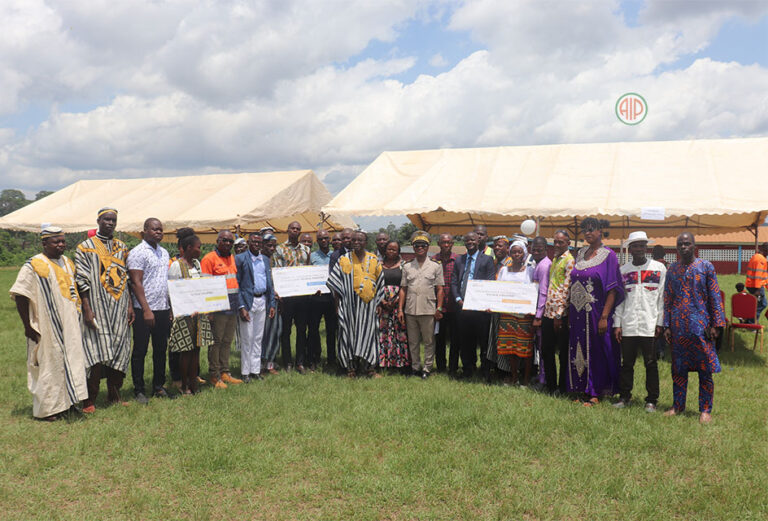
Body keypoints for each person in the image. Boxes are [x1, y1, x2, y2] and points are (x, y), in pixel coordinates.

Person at [11, 226, 88, 420]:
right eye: (56, 241)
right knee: (49, 365)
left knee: (72, 363)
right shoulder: (34, 264)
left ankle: (69, 404)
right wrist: (27, 326)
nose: (61, 245)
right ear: (44, 243)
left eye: (63, 241)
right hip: (46, 325)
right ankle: (47, 410)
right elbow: (21, 294)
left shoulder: (68, 263)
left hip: (70, 325)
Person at [75, 207, 134, 412]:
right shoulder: (85, 247)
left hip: (118, 307)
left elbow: (126, 279)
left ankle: (114, 395)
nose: (110, 223)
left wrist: (129, 305)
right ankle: (89, 399)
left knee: (119, 349)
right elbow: (81, 280)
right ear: (98, 220)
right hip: (97, 307)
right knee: (95, 351)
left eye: (113, 220)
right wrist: (87, 308)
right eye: (107, 219)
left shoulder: (122, 247)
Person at [663, 232, 726, 424]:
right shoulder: (672, 270)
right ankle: (678, 405)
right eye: (680, 244)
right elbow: (667, 299)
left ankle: (705, 410)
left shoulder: (705, 267)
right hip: (678, 328)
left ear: (694, 246)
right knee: (678, 369)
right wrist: (666, 324)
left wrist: (717, 324)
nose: (683, 247)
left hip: (701, 327)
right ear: (676, 248)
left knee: (704, 369)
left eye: (687, 244)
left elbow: (715, 297)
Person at [567, 218, 625, 406]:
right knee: (577, 348)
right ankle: (579, 387)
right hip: (577, 313)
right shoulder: (581, 253)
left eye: (591, 230)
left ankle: (595, 392)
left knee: (596, 350)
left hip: (596, 313)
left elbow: (613, 288)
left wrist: (605, 316)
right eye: (585, 230)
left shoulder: (609, 256)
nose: (588, 233)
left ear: (601, 231)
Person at [612, 231, 665, 412]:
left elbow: (662, 298)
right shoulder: (623, 271)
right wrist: (617, 324)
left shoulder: (659, 268)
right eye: (635, 246)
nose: (639, 249)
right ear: (630, 248)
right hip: (629, 324)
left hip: (649, 324)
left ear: (646, 247)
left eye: (642, 245)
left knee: (651, 363)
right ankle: (625, 396)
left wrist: (660, 322)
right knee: (627, 363)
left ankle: (651, 400)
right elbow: (620, 300)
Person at [128, 218, 174, 403]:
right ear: (145, 230)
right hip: (143, 310)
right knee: (140, 350)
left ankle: (158, 385)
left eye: (161, 230)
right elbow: (136, 282)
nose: (159, 232)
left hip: (162, 308)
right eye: (155, 229)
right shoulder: (138, 252)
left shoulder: (163, 253)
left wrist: (169, 307)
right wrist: (146, 310)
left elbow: (165, 282)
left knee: (160, 349)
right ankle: (139, 389)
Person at [327, 230, 384, 378]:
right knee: (348, 336)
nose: (357, 243)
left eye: (360, 240)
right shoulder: (343, 259)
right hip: (348, 307)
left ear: (366, 242)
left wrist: (378, 303)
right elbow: (335, 284)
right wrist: (337, 306)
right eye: (354, 240)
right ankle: (350, 369)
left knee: (369, 336)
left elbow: (380, 283)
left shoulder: (374, 260)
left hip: (368, 307)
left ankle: (369, 369)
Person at [168, 230, 212, 395]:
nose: (200, 250)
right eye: (198, 247)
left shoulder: (198, 265)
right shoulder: (176, 266)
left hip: (198, 313)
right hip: (184, 314)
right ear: (188, 248)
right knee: (185, 351)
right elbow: (173, 291)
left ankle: (194, 382)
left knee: (195, 350)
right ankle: (184, 384)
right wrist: (182, 310)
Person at [200, 230, 243, 388]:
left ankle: (225, 372)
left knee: (227, 341)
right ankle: (214, 375)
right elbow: (206, 286)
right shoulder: (209, 259)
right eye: (225, 240)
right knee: (216, 342)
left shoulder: (233, 258)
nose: (228, 244)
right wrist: (209, 310)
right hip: (217, 308)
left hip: (232, 306)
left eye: (231, 242)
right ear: (217, 241)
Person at [490, 239, 536, 385]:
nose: (516, 254)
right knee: (510, 347)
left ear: (524, 253)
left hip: (524, 316)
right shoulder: (504, 270)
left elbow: (534, 291)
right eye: (514, 251)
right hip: (507, 315)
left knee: (525, 348)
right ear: (510, 253)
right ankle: (514, 376)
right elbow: (497, 291)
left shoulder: (530, 271)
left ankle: (526, 378)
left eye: (519, 252)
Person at [398, 232, 444, 378]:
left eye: (423, 245)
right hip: (411, 309)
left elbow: (440, 289)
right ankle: (415, 367)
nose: (420, 248)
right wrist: (400, 309)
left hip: (428, 309)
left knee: (429, 341)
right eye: (417, 245)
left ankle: (427, 368)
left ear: (427, 246)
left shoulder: (436, 266)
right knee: (413, 341)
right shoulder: (407, 266)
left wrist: (439, 308)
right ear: (413, 247)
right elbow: (403, 289)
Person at [451, 231, 496, 380]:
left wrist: (481, 302)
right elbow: (454, 282)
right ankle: (467, 370)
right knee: (465, 341)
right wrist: (458, 299)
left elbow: (489, 283)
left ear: (478, 241)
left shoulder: (487, 260)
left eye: (473, 240)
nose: (470, 242)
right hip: (462, 306)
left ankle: (484, 371)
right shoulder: (459, 260)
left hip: (480, 308)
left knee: (483, 341)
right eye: (467, 240)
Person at [236, 232, 276, 382]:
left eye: (259, 242)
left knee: (258, 338)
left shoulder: (265, 259)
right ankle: (245, 372)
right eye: (254, 242)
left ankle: (255, 370)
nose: (257, 244)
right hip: (247, 302)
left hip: (262, 300)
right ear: (248, 242)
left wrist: (271, 303)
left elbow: (269, 283)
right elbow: (237, 285)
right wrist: (241, 306)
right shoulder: (240, 259)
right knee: (247, 338)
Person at [274, 221, 311, 373]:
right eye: (293, 228)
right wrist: (279, 294)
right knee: (286, 330)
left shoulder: (306, 249)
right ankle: (287, 362)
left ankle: (300, 362)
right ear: (287, 230)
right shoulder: (279, 249)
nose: (295, 231)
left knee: (302, 329)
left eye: (298, 229)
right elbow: (277, 271)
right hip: (287, 296)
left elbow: (309, 271)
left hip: (302, 296)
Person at [541, 230, 575, 394]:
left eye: (560, 242)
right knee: (547, 350)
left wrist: (559, 315)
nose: (556, 245)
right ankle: (550, 385)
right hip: (548, 312)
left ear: (568, 243)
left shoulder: (569, 261)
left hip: (560, 315)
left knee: (562, 353)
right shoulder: (555, 259)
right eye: (555, 242)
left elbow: (567, 290)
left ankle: (562, 387)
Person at [378, 240, 409, 371]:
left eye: (394, 249)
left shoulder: (404, 265)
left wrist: (397, 301)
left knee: (398, 332)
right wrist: (382, 301)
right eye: (389, 249)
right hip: (381, 303)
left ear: (398, 252)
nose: (391, 251)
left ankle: (399, 362)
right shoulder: (378, 265)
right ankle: (384, 362)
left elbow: (405, 286)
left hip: (399, 303)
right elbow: (374, 284)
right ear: (385, 250)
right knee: (383, 333)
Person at [308, 229, 338, 369]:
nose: (324, 241)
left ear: (330, 239)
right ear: (317, 241)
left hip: (332, 298)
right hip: (316, 298)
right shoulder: (312, 256)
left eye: (326, 238)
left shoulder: (336, 255)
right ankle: (316, 357)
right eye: (320, 239)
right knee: (313, 329)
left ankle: (332, 358)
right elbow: (307, 274)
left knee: (331, 330)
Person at [431, 233, 459, 374]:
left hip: (455, 306)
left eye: (449, 242)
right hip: (438, 307)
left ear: (452, 243)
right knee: (439, 338)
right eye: (443, 242)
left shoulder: (458, 260)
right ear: (439, 243)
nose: (446, 245)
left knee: (455, 339)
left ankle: (453, 367)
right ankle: (441, 366)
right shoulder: (433, 260)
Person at [486, 236, 512, 377]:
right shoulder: (494, 263)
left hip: (506, 310)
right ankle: (496, 367)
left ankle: (506, 370)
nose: (497, 248)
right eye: (495, 246)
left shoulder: (511, 264)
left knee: (504, 339)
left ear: (508, 248)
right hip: (494, 309)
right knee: (495, 338)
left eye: (500, 246)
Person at [530, 236, 551, 387]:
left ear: (546, 249)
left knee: (543, 347)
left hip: (542, 314)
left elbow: (543, 292)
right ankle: (540, 375)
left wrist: (538, 316)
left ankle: (544, 378)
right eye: (534, 250)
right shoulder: (537, 264)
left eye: (539, 249)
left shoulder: (544, 266)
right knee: (539, 346)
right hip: (536, 310)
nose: (536, 252)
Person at [260, 234, 282, 374]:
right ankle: (260, 364)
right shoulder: (259, 260)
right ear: (262, 245)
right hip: (263, 301)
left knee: (276, 331)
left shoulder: (276, 259)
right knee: (263, 333)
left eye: (274, 245)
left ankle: (270, 362)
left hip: (278, 301)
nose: (272, 248)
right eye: (269, 245)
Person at [744, 242, 768, 323]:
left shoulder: (756, 256)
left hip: (751, 284)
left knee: (755, 304)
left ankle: (747, 319)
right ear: (766, 250)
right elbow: (758, 275)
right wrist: (758, 289)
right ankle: (751, 323)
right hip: (755, 286)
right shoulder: (761, 259)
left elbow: (763, 275)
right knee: (762, 304)